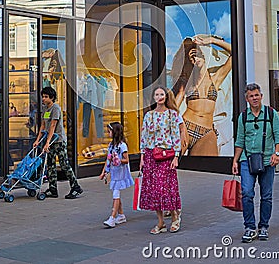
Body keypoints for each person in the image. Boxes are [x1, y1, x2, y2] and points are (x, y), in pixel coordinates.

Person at [232, 83, 279, 243]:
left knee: (266, 196)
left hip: (268, 160)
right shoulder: (243, 116)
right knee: (247, 194)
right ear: (247, 99)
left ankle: (263, 227)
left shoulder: (271, 113)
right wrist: (235, 161)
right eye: (251, 96)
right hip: (247, 160)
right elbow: (240, 140)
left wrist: (276, 154)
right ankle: (250, 227)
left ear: (261, 96)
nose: (254, 98)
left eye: (256, 95)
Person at [171, 35, 232, 156]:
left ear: (204, 57)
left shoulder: (215, 79)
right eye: (192, 58)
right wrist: (174, 123)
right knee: (171, 163)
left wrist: (212, 41)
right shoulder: (188, 82)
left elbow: (234, 54)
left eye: (197, 55)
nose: (195, 59)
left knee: (207, 169)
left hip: (206, 131)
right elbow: (178, 101)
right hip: (186, 125)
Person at [139, 86, 182, 234]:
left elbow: (176, 135)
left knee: (166, 187)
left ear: (166, 96)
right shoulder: (148, 115)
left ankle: (175, 216)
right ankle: (161, 222)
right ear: (154, 97)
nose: (159, 97)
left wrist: (176, 156)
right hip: (151, 154)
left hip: (167, 154)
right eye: (156, 94)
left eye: (161, 94)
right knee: (154, 189)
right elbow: (144, 136)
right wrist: (142, 156)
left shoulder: (172, 114)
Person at [33, 87, 83, 199]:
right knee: (50, 165)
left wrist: (47, 143)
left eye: (46, 97)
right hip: (50, 141)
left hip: (58, 140)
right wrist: (37, 140)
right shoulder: (45, 109)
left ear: (52, 97)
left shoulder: (55, 108)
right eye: (43, 96)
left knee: (64, 164)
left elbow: (53, 125)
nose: (44, 99)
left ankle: (76, 187)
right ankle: (52, 189)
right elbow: (43, 125)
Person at [99, 122, 134, 228]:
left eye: (109, 131)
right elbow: (108, 159)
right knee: (116, 193)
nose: (108, 133)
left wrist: (119, 160)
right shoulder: (111, 145)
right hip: (114, 172)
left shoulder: (122, 145)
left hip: (120, 173)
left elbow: (126, 160)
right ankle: (121, 214)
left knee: (116, 193)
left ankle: (112, 217)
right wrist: (104, 171)